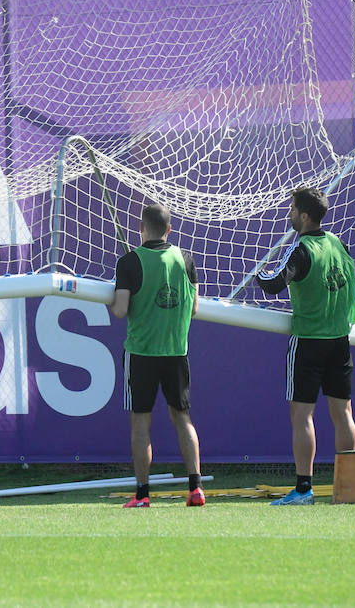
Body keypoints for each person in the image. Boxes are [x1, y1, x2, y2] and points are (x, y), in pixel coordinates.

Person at [256, 185, 355, 506]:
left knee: (302, 415)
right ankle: (350, 487)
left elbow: (275, 284)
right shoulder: (339, 244)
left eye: (291, 211)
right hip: (340, 341)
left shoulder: (301, 249)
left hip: (310, 340)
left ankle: (303, 490)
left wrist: (257, 273)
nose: (289, 216)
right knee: (343, 413)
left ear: (303, 216)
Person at [107, 204, 205, 508]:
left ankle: (142, 494)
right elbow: (194, 308)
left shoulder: (129, 262)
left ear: (141, 227)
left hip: (142, 353)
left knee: (140, 423)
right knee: (183, 418)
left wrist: (109, 300)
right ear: (169, 230)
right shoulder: (185, 259)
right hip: (176, 352)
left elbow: (121, 310)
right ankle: (195, 488)